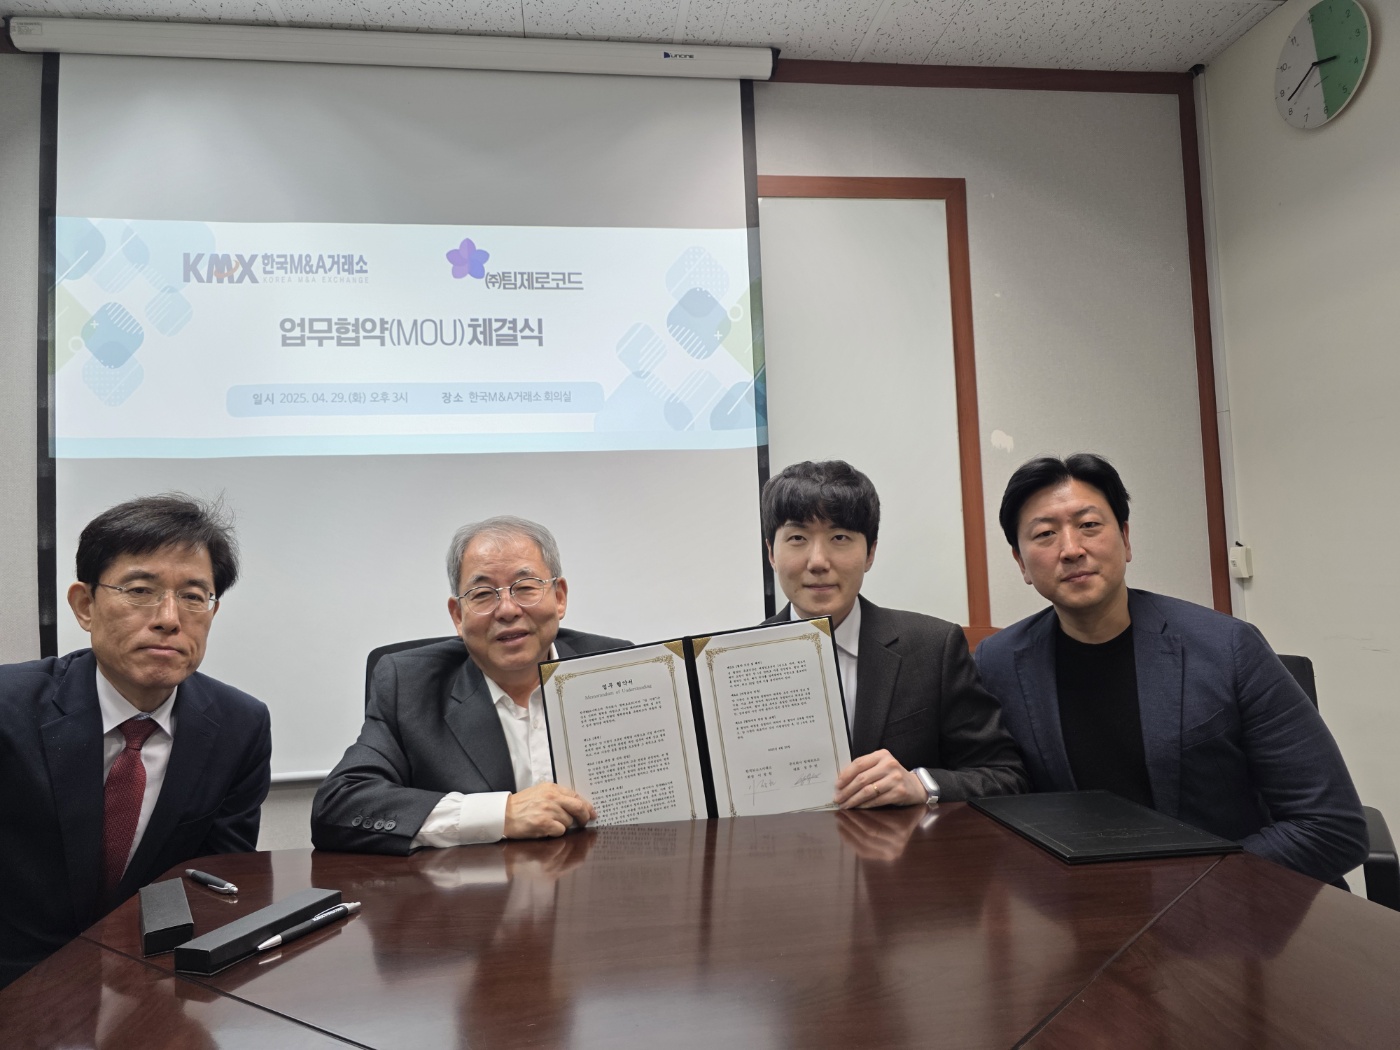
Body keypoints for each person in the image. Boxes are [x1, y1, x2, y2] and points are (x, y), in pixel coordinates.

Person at [975, 453, 1367, 884]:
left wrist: (1179, 895)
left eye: (1089, 525)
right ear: (1021, 563)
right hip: (1087, 905)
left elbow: (1331, 827)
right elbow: (993, 787)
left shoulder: (1229, 647)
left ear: (1125, 539)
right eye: (1045, 534)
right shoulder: (998, 662)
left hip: (1233, 903)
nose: (1071, 550)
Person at [0, 495, 271, 989]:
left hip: (154, 985)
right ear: (85, 606)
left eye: (193, 596)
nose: (169, 618)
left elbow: (215, 882)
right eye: (141, 590)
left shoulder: (240, 725)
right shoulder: (9, 708)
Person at [312, 516, 628, 853]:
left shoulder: (618, 670)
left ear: (559, 597)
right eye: (482, 594)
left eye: (525, 587)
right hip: (475, 885)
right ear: (458, 616)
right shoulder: (410, 686)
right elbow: (338, 806)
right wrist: (500, 814)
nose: (507, 610)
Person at [761, 460, 1028, 808]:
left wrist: (922, 785)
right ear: (771, 553)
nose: (818, 561)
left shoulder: (934, 648)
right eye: (797, 538)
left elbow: (1005, 776)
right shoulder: (730, 665)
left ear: (870, 553)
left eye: (839, 538)